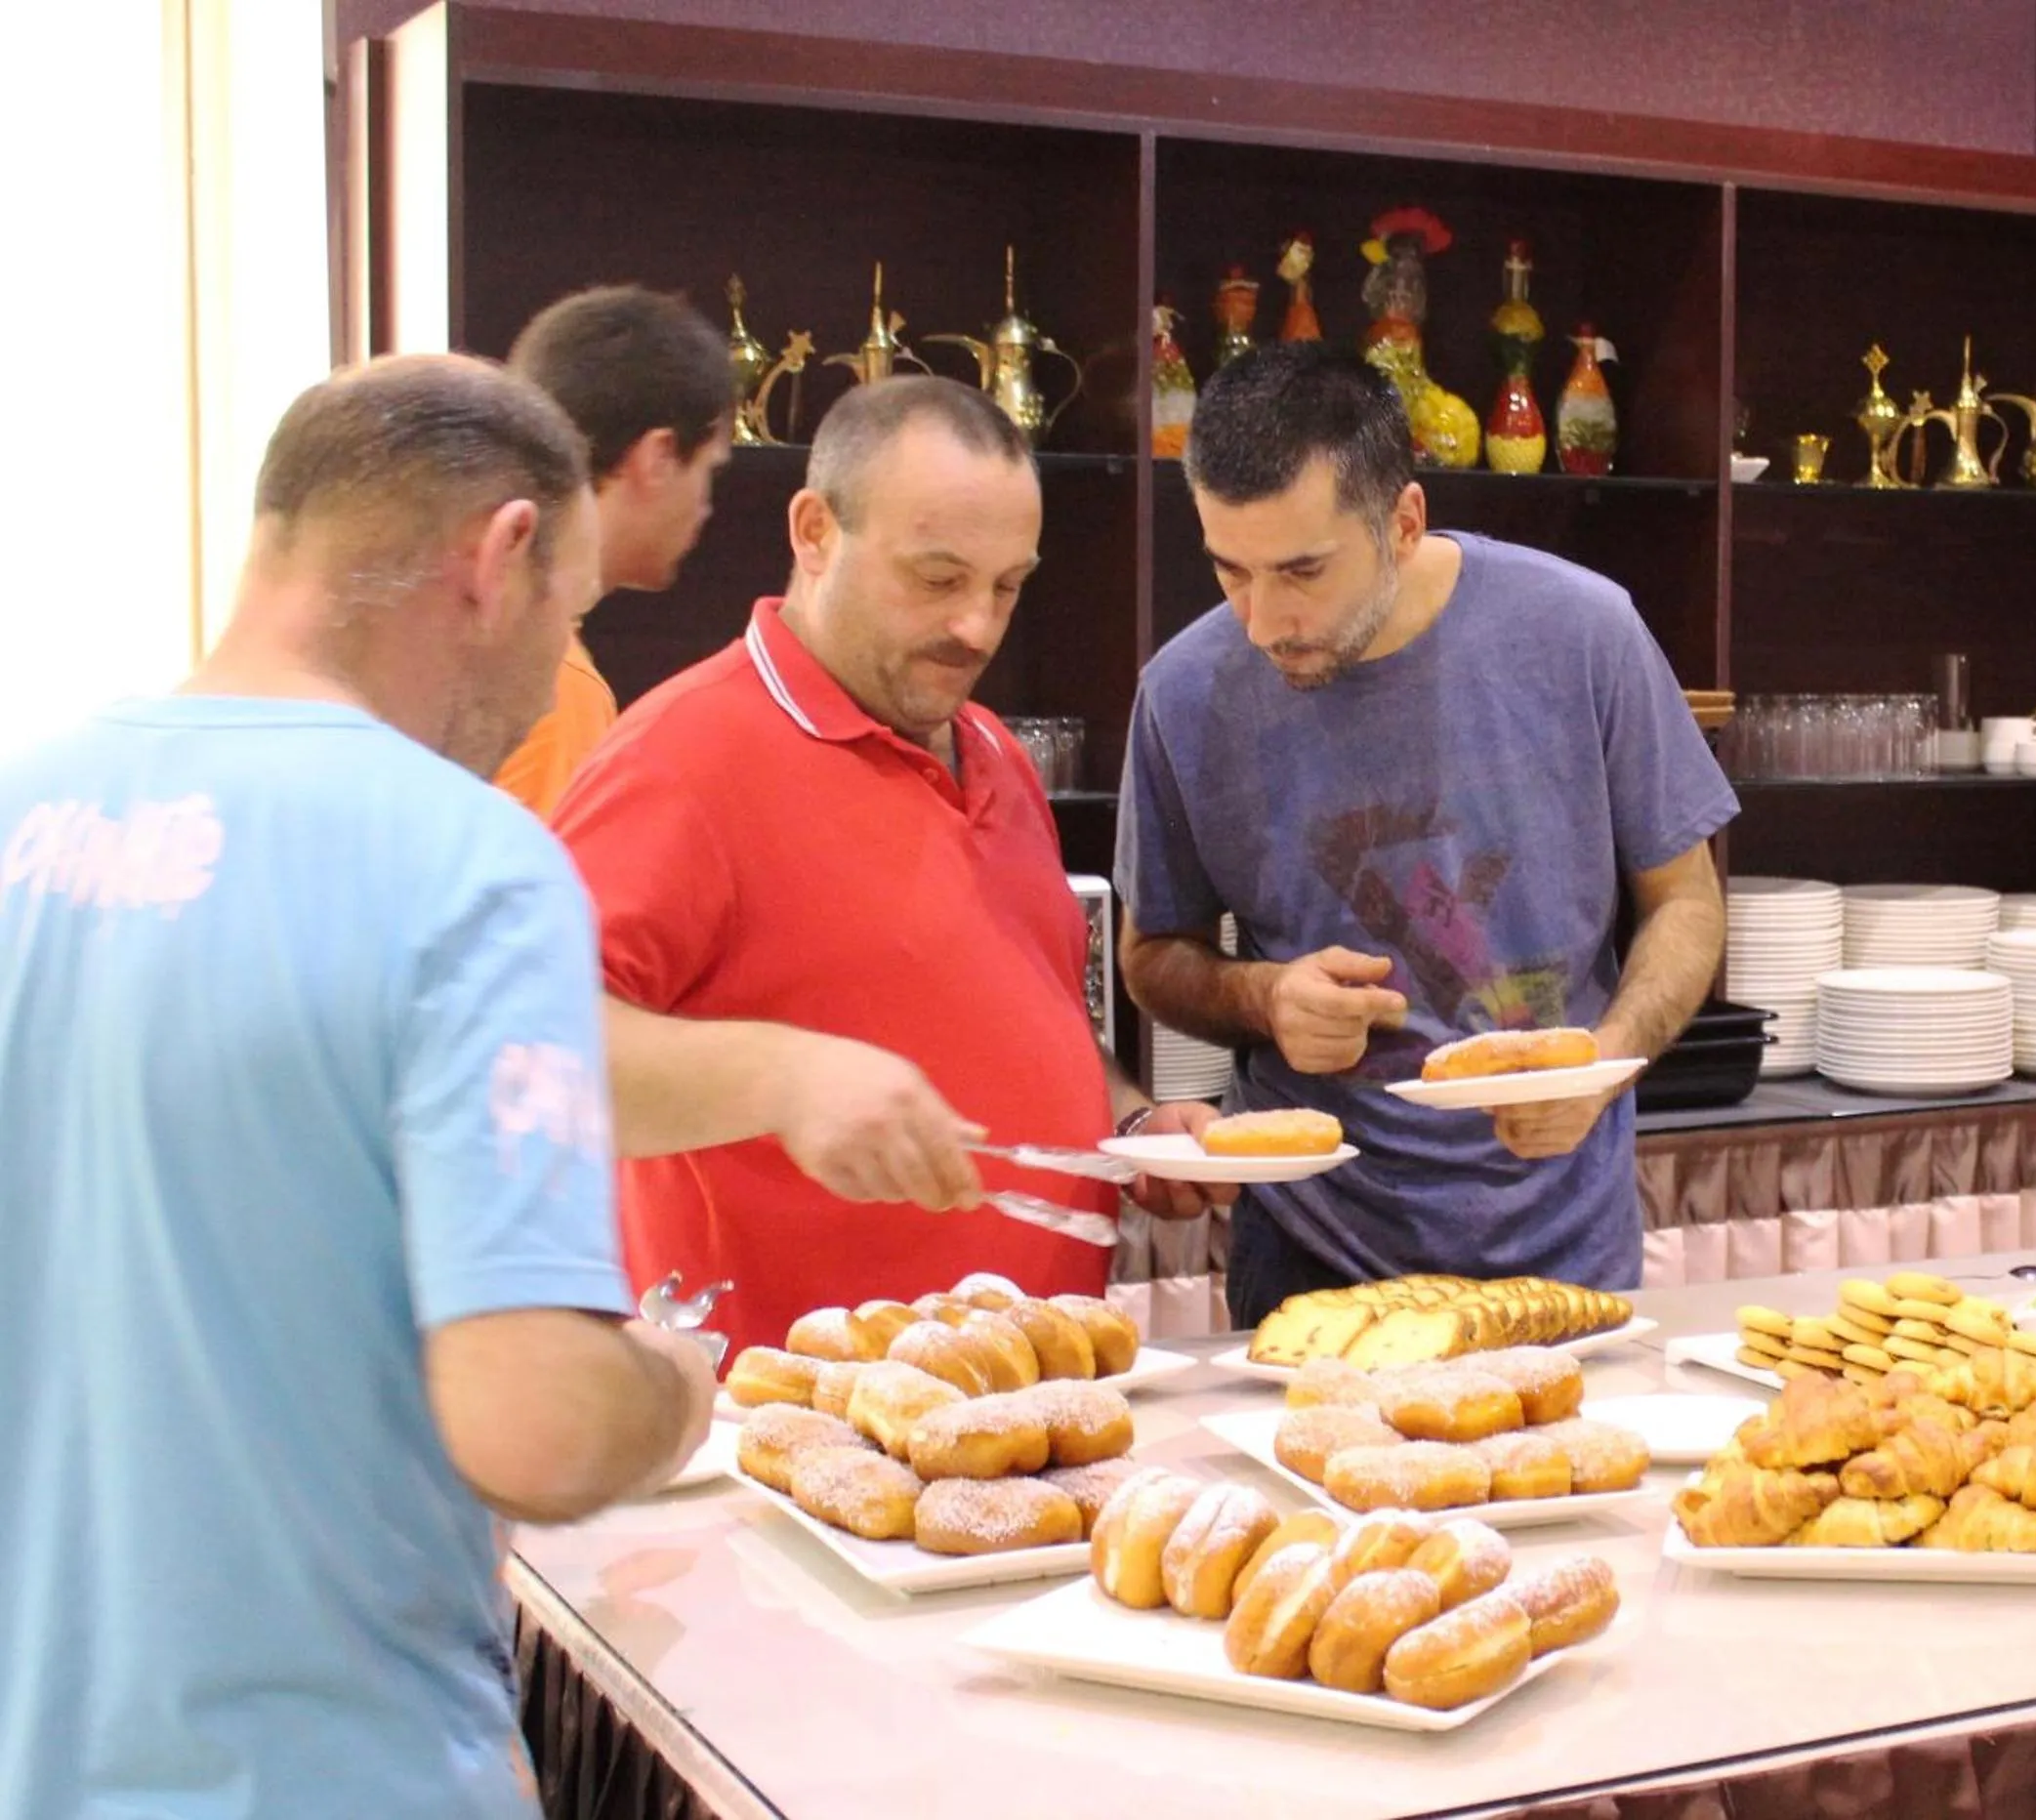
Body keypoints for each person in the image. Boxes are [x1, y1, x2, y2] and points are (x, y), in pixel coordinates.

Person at [0, 354, 718, 1819]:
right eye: (569, 622)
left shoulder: (29, 808)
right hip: (339, 1767)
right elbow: (536, 1423)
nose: (544, 695)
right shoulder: (466, 861)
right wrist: (668, 1386)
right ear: (501, 554)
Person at [552, 376, 1229, 1357]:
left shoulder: (992, 747)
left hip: (1028, 1384)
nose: (979, 628)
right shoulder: (680, 759)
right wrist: (783, 1077)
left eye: (1007, 584)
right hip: (788, 1417)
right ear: (814, 530)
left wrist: (1132, 1121)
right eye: (938, 577)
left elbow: (1027, 1011)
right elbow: (535, 1057)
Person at [1115, 344, 1735, 1327]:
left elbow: (1686, 899)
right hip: (1314, 1256)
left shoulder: (1583, 632)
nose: (1265, 620)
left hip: (1565, 1244)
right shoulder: (1184, 692)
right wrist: (1264, 995)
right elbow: (1152, 955)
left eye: (1303, 571)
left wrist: (1605, 1059)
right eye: (1230, 571)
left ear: (1402, 522)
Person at [494, 284, 735, 817]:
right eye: (709, 470)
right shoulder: (552, 685)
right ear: (659, 457)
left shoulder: (475, 633)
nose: (706, 507)